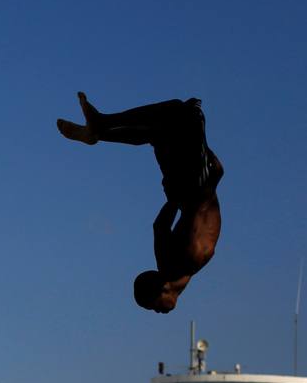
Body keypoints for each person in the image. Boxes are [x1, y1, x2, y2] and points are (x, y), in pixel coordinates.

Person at [57, 93, 223, 314]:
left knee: (176, 116)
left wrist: (174, 199)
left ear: (162, 290)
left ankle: (100, 127)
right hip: (197, 185)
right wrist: (212, 179)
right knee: (161, 130)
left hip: (191, 185)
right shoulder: (182, 271)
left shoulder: (170, 268)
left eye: (154, 307)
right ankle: (99, 130)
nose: (159, 312)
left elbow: (160, 227)